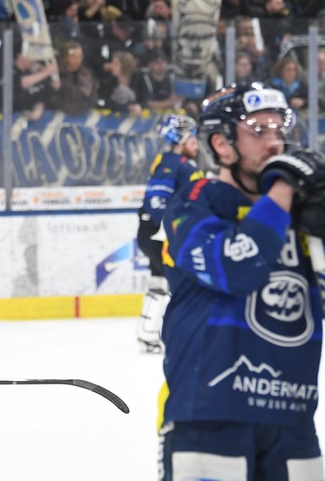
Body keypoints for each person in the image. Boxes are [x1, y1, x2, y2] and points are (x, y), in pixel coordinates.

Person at [159, 82, 325, 479]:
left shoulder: (303, 214)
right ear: (222, 144)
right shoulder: (196, 200)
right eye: (259, 130)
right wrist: (284, 188)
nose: (275, 143)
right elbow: (236, 269)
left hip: (293, 417)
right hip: (210, 414)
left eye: (278, 129)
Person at [135, 113, 203, 353]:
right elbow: (155, 200)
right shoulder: (172, 162)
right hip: (161, 235)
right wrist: (174, 229)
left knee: (160, 282)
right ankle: (179, 335)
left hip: (156, 234)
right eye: (192, 137)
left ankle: (149, 333)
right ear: (181, 139)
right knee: (184, 284)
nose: (196, 142)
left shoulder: (177, 162)